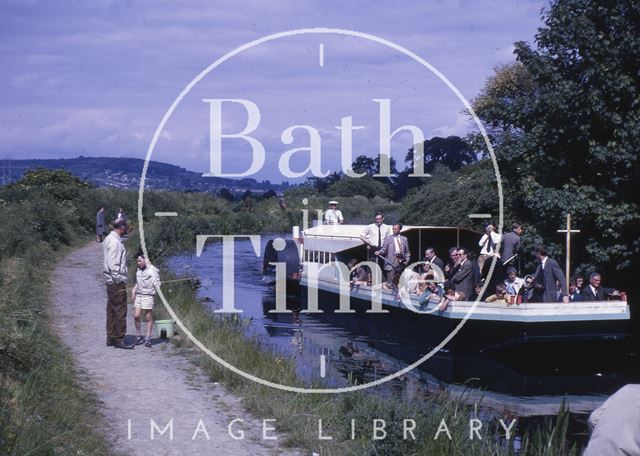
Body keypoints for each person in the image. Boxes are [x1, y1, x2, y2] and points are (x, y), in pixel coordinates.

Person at [103, 219, 133, 349]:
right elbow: (112, 264)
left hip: (111, 281)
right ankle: (119, 339)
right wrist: (118, 279)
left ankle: (111, 337)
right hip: (116, 282)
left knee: (112, 309)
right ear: (121, 227)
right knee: (120, 309)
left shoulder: (109, 238)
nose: (127, 229)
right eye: (126, 227)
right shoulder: (115, 242)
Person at [132, 252, 161, 347]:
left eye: (140, 261)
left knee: (148, 317)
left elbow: (158, 284)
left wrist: (155, 287)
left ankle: (148, 338)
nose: (138, 263)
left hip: (148, 296)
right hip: (139, 295)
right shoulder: (139, 270)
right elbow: (137, 282)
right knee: (136, 316)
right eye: (137, 261)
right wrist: (134, 290)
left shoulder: (152, 270)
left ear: (146, 260)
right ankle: (138, 336)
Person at [375, 223, 410, 290]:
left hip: (401, 262)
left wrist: (406, 261)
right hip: (391, 262)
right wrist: (379, 252)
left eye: (395, 229)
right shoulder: (388, 238)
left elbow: (407, 252)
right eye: (393, 229)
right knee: (390, 283)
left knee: (401, 281)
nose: (394, 230)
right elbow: (384, 249)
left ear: (400, 229)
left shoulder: (404, 239)